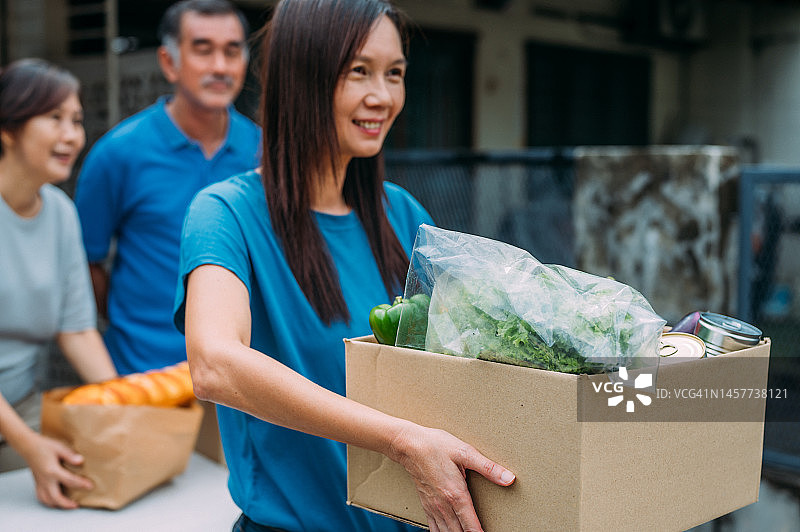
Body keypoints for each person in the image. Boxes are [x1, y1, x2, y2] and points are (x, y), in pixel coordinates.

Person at [174, 1, 516, 531]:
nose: (382, 96)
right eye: (358, 71)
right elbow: (214, 363)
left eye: (395, 73)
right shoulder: (225, 214)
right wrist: (402, 441)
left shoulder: (401, 214)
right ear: (300, 76)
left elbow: (469, 359)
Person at [74, 0, 260, 375]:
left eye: (232, 50)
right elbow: (85, 264)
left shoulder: (267, 153)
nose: (220, 67)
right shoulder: (118, 153)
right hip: (143, 374)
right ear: (169, 62)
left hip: (242, 378)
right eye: (203, 50)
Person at [0, 58, 118, 509]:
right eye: (54, 119)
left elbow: (77, 330)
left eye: (77, 121)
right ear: (8, 129)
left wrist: (122, 405)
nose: (72, 135)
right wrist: (29, 446)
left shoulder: (62, 213)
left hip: (22, 404)